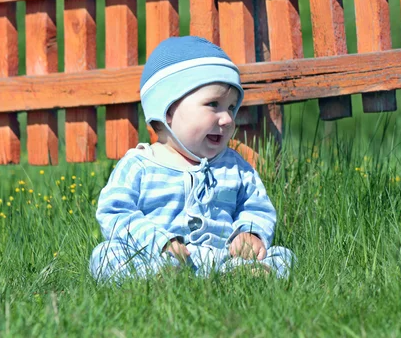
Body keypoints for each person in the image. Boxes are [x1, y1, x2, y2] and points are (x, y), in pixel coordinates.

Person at [89, 36, 294, 282]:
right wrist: (159, 241)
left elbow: (255, 205)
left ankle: (243, 277)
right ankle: (156, 278)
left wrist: (250, 233)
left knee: (284, 255)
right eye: (213, 104)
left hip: (221, 259)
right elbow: (116, 212)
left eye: (231, 107)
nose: (228, 119)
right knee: (105, 254)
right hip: (160, 256)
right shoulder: (139, 166)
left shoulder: (235, 167)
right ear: (168, 111)